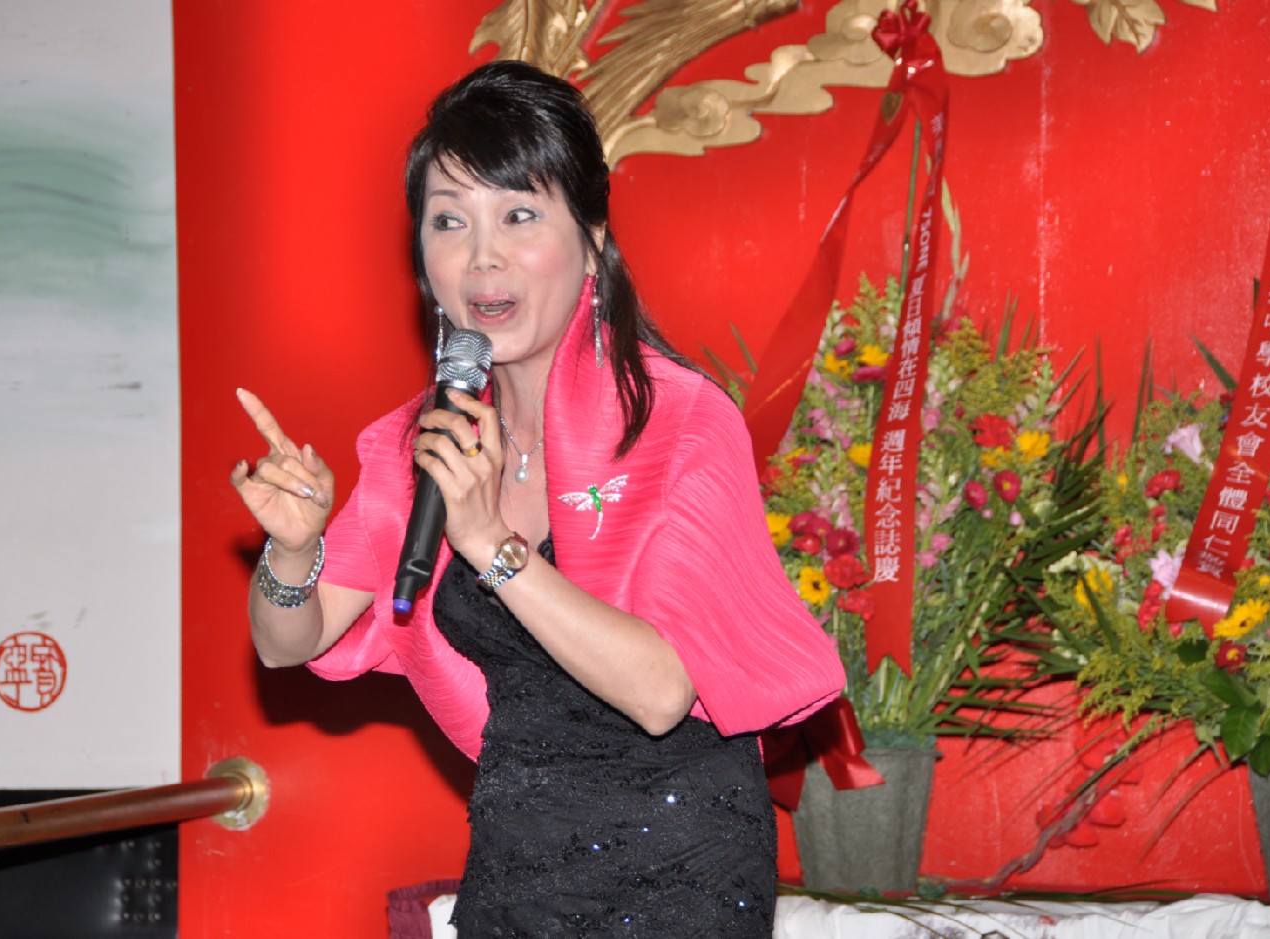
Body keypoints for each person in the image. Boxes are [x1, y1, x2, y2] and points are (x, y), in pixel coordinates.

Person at [231, 60, 844, 937]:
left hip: (683, 873)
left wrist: (489, 542)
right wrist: (292, 553)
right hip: (516, 866)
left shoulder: (679, 421)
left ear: (590, 235)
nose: (483, 256)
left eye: (518, 215)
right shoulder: (421, 442)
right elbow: (287, 640)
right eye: (449, 220)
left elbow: (660, 690)